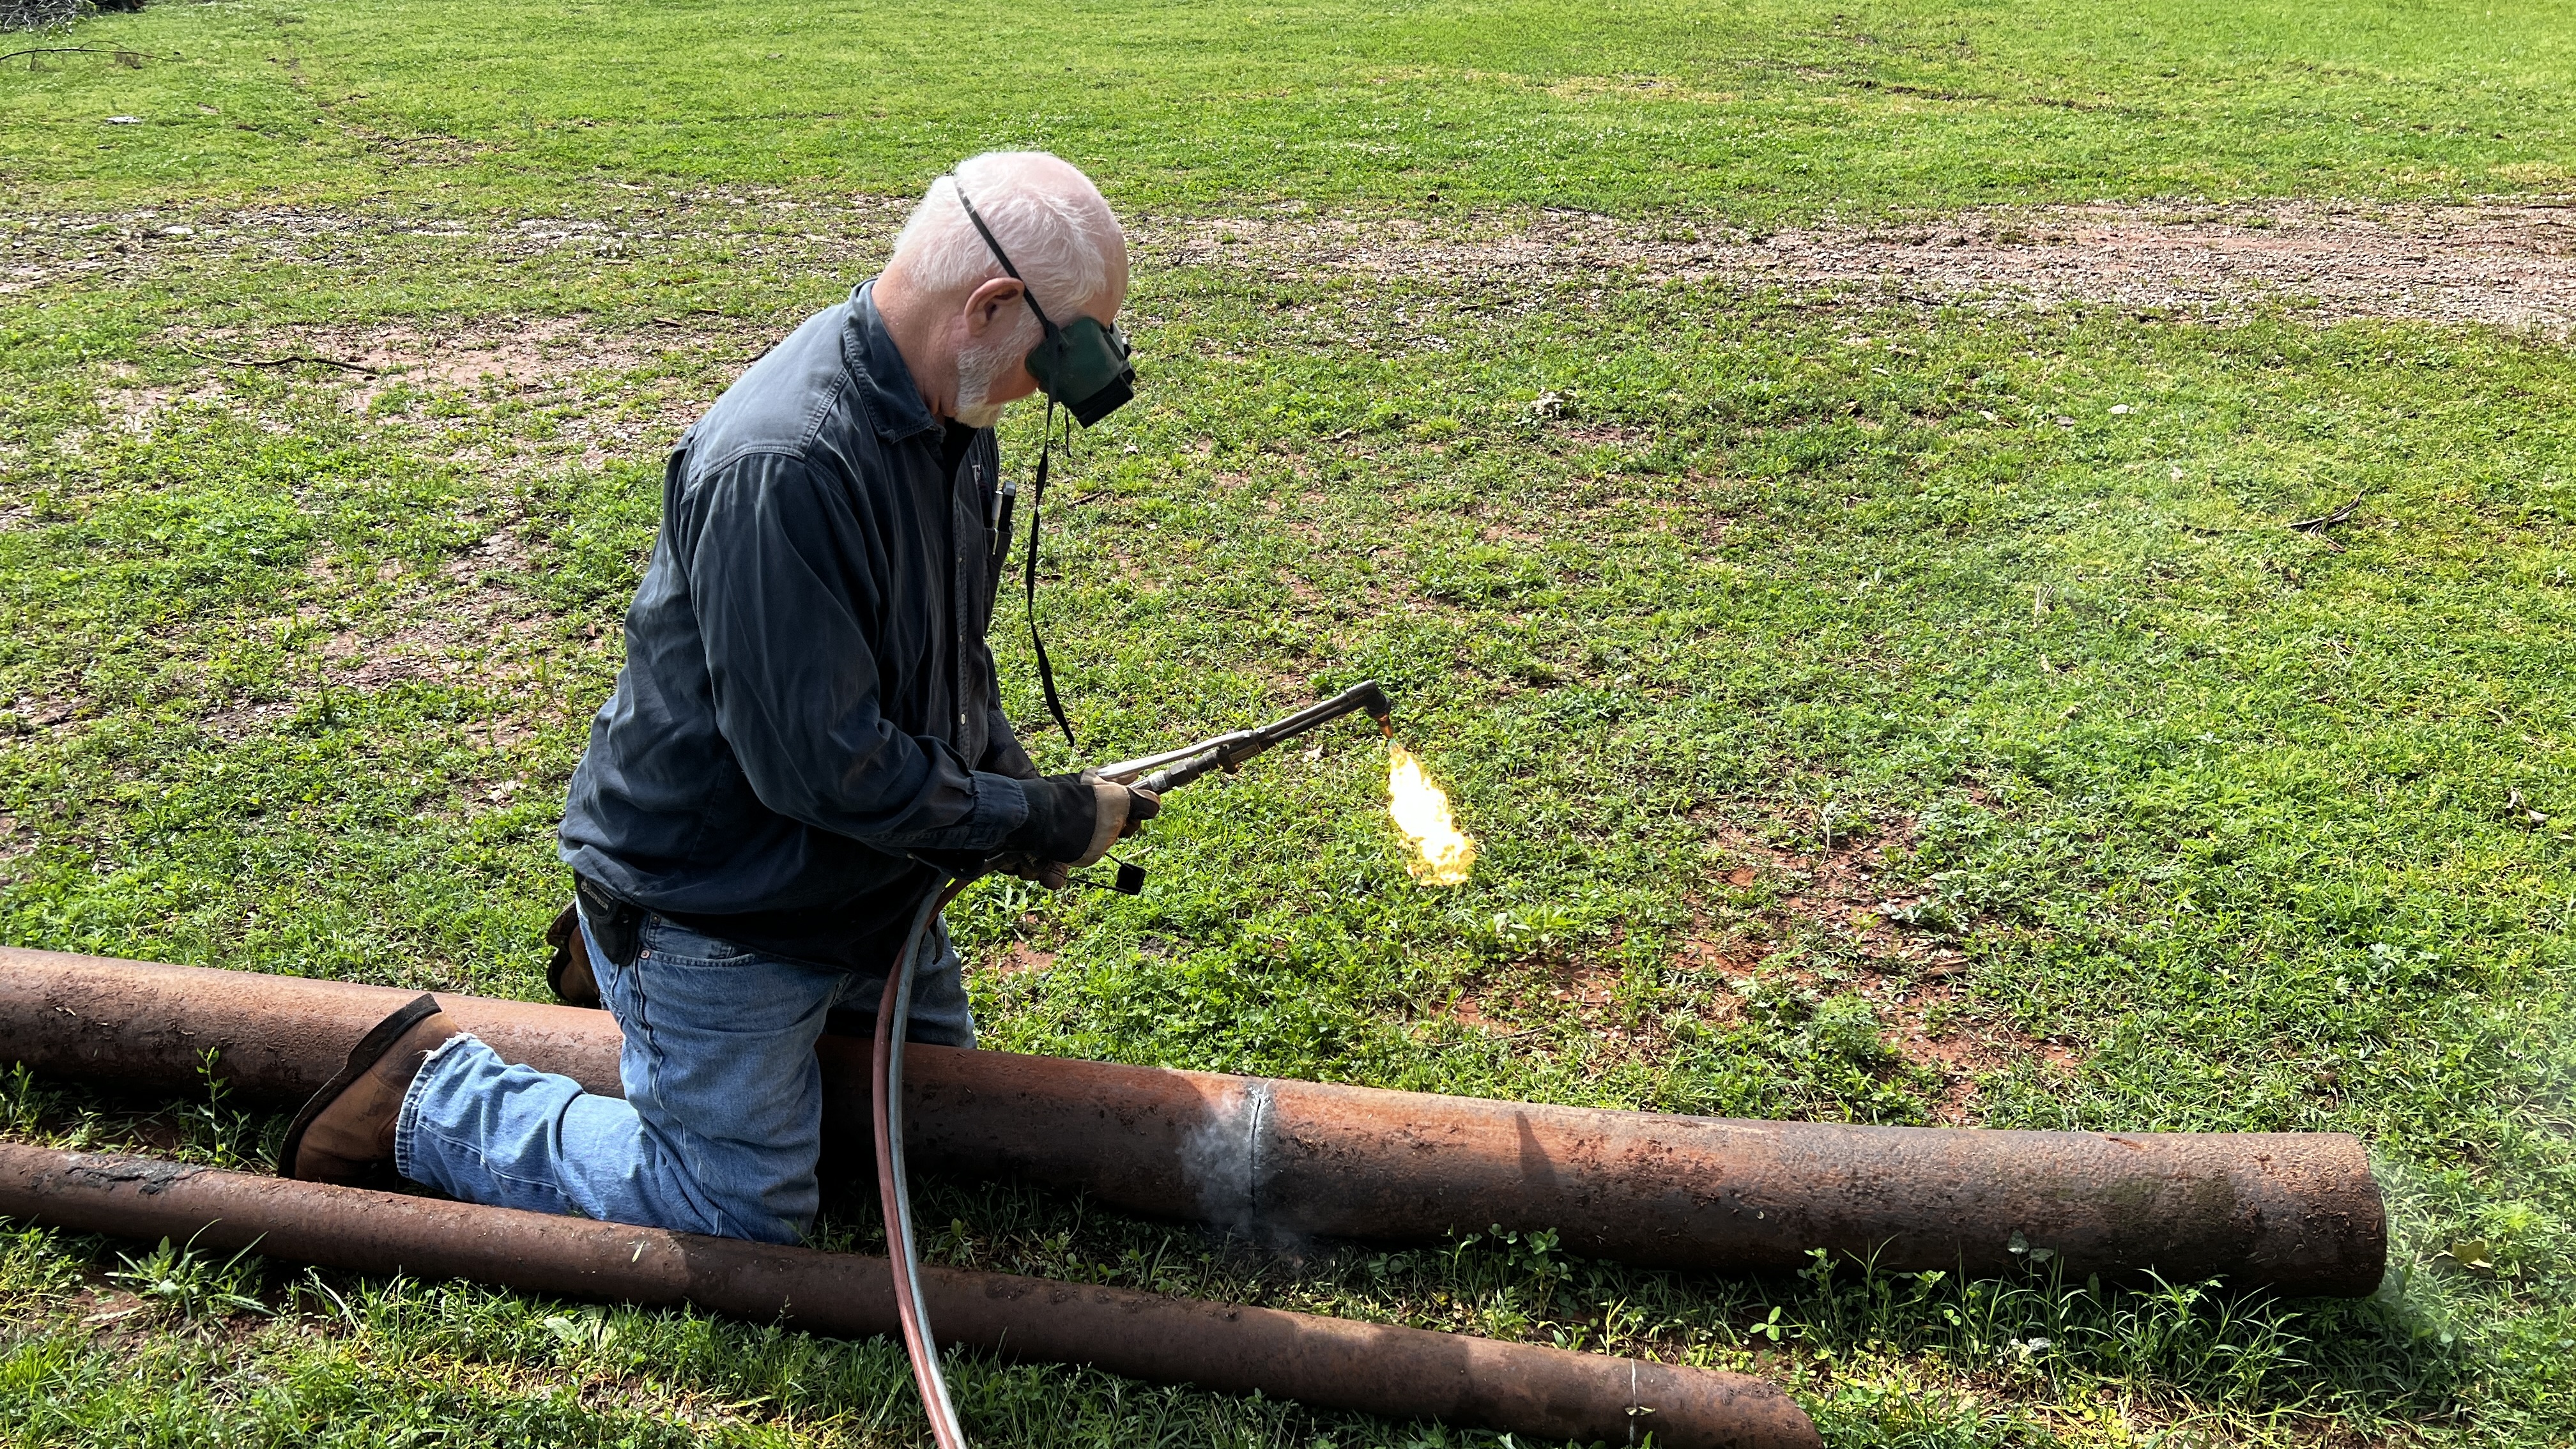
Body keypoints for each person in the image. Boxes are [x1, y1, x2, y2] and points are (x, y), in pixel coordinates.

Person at [274, 151, 1157, 1245]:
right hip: (727, 900)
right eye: (1063, 352)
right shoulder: (784, 463)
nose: (1060, 385)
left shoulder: (952, 415)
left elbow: (946, 665)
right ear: (990, 305)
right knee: (738, 1207)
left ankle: (651, 1013)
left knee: (937, 1124)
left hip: (871, 882)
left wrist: (1027, 789)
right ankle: (435, 1098)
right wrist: (1031, 821)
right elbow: (822, 767)